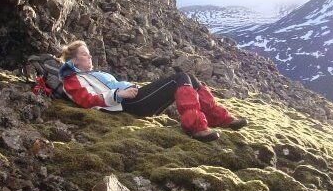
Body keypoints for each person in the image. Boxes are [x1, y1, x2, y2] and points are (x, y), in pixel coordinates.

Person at [58, 40, 247, 142]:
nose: (90, 56)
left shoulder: (93, 73)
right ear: (73, 60)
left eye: (89, 53)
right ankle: (195, 127)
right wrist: (118, 94)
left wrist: (127, 88)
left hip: (134, 98)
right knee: (180, 78)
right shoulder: (72, 79)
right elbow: (85, 100)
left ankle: (217, 117)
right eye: (84, 54)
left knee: (191, 78)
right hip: (128, 104)